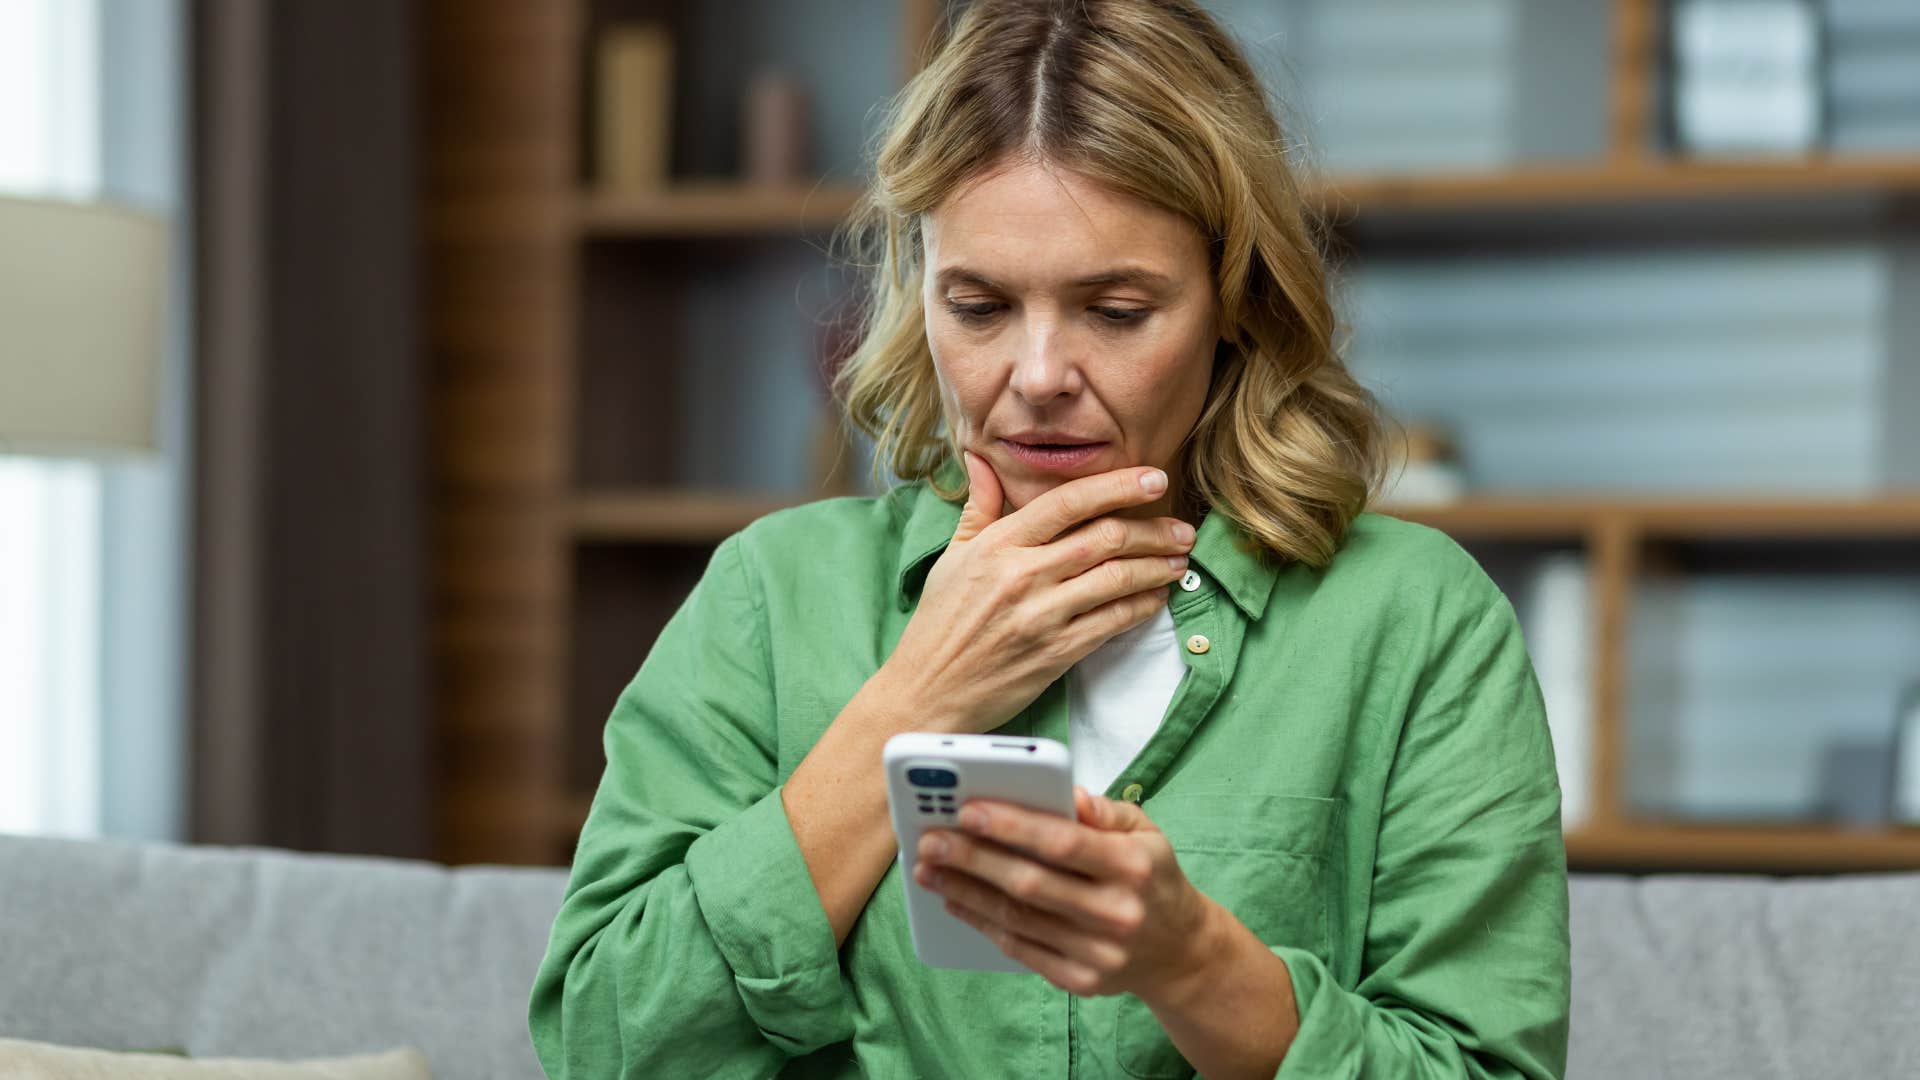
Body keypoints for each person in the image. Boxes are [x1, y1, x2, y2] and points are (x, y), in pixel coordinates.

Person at [528, 1, 1570, 1077]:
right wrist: (916, 698)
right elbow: (602, 1046)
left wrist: (1194, 960)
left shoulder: (1412, 622)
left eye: (1116, 312)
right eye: (977, 307)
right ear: (917, 293)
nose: (1035, 379)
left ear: (1234, 302)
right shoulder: (771, 597)